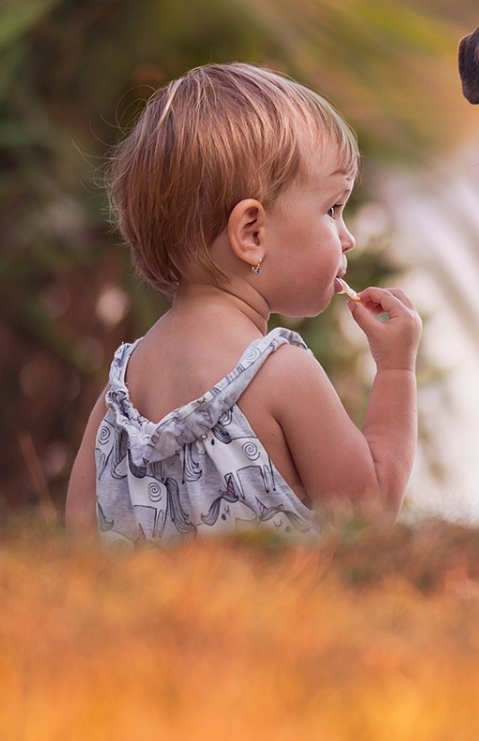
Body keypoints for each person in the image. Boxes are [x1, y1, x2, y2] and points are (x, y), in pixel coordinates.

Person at [64, 63, 421, 543]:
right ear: (251, 234)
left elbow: (78, 540)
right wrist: (397, 370)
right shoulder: (281, 373)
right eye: (332, 210)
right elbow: (368, 517)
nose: (348, 237)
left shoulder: (119, 394)